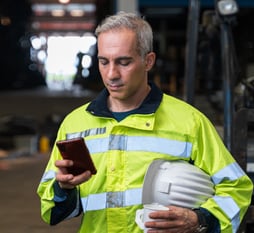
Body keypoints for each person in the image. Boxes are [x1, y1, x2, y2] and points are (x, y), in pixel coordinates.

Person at [37, 11, 253, 233]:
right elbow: (53, 210)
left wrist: (199, 219)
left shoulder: (189, 123)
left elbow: (237, 187)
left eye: (124, 62)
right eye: (104, 62)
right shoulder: (75, 125)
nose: (111, 74)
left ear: (148, 61)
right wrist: (64, 188)